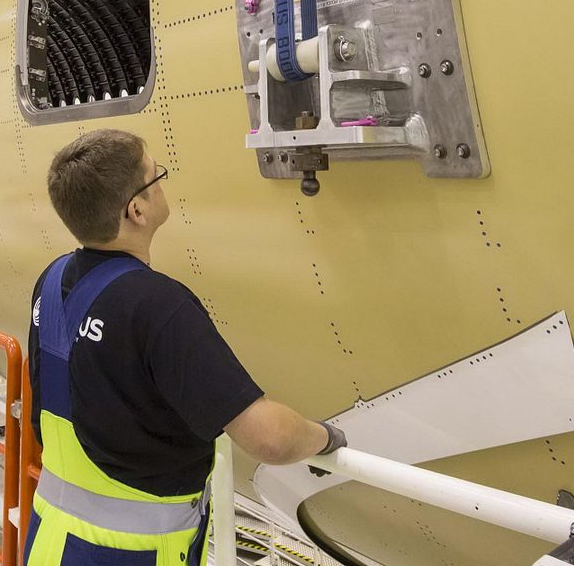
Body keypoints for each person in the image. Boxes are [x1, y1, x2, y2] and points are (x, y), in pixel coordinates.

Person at [26, 130, 345, 566]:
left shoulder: (51, 280)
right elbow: (268, 439)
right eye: (154, 175)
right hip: (131, 555)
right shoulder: (157, 306)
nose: (161, 181)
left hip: (49, 542)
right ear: (136, 209)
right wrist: (324, 437)